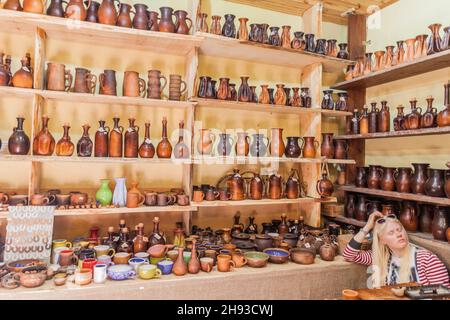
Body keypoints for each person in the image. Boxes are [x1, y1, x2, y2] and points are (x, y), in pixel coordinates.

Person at [343, 211, 449, 288]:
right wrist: (367, 227)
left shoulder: (427, 260)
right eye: (391, 233)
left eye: (399, 230)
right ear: (382, 241)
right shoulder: (382, 257)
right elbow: (349, 255)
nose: (398, 234)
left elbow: (445, 295)